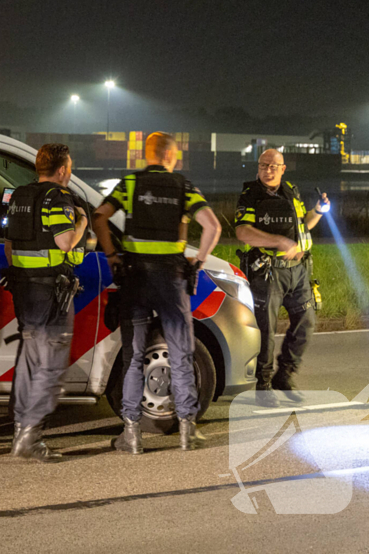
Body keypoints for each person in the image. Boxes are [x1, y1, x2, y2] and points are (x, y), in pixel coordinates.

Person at [92, 132, 221, 453]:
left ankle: (132, 434)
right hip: (172, 279)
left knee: (133, 356)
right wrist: (198, 262)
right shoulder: (183, 186)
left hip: (135, 279)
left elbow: (99, 218)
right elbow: (213, 227)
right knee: (181, 354)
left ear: (147, 154)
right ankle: (187, 431)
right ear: (171, 156)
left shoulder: (130, 184)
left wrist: (112, 256)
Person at [3, 143, 89, 462]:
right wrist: (80, 220)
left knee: (28, 362)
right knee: (50, 366)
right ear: (62, 169)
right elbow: (65, 241)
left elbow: (9, 244)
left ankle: (19, 431)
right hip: (52, 293)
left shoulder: (20, 197)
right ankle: (30, 436)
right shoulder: (60, 199)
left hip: (24, 290)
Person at [234, 149, 330, 408]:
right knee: (266, 330)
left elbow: (303, 224)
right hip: (269, 271)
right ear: (258, 167)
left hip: (298, 271)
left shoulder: (290, 191)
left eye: (274, 166)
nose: (268, 170)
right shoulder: (250, 194)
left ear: (283, 168)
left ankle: (284, 376)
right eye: (264, 165)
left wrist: (319, 210)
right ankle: (263, 387)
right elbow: (243, 232)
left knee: (306, 322)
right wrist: (277, 241)